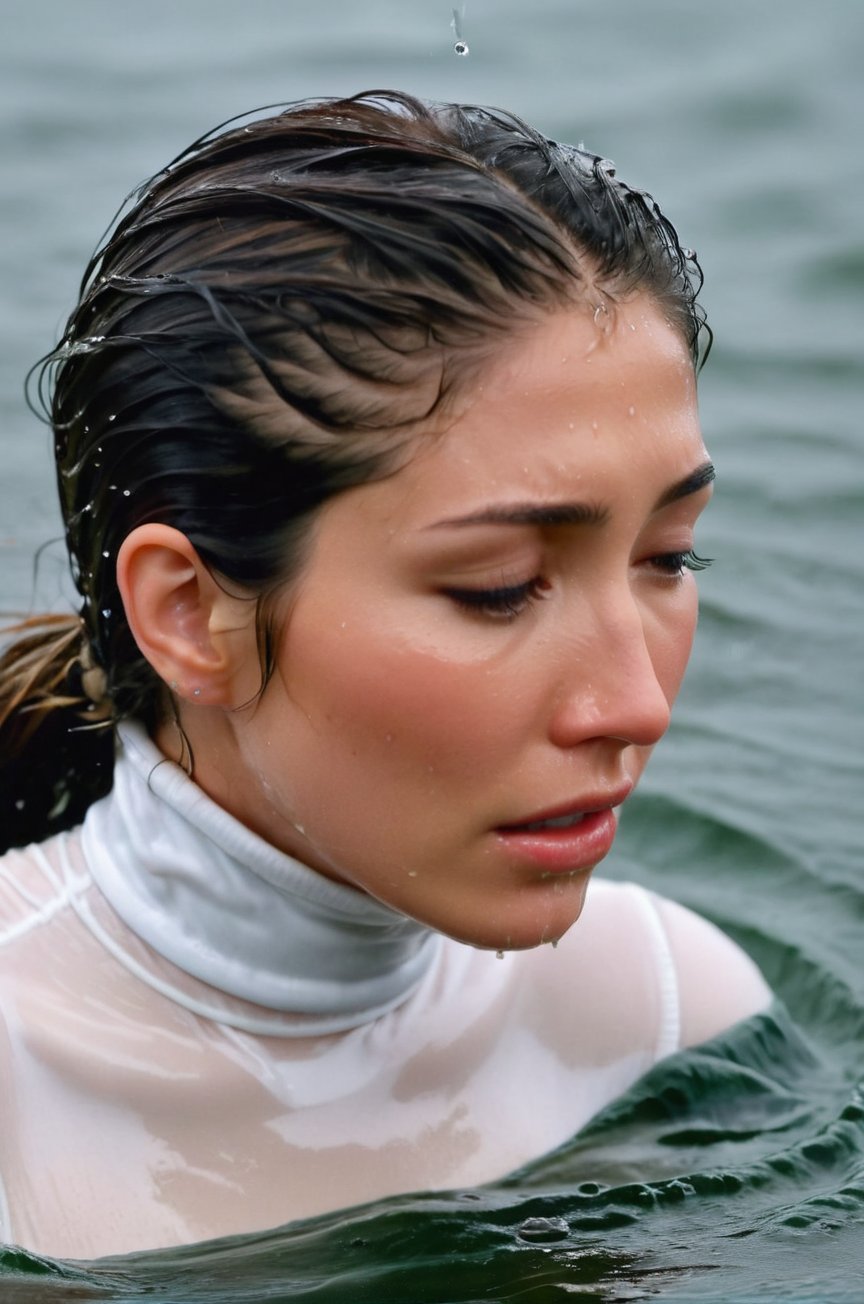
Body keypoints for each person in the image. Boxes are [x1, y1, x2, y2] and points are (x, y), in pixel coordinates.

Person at [0, 90, 770, 1259]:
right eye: (499, 585)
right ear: (190, 611)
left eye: (669, 556)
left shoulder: (666, 1009)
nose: (635, 704)